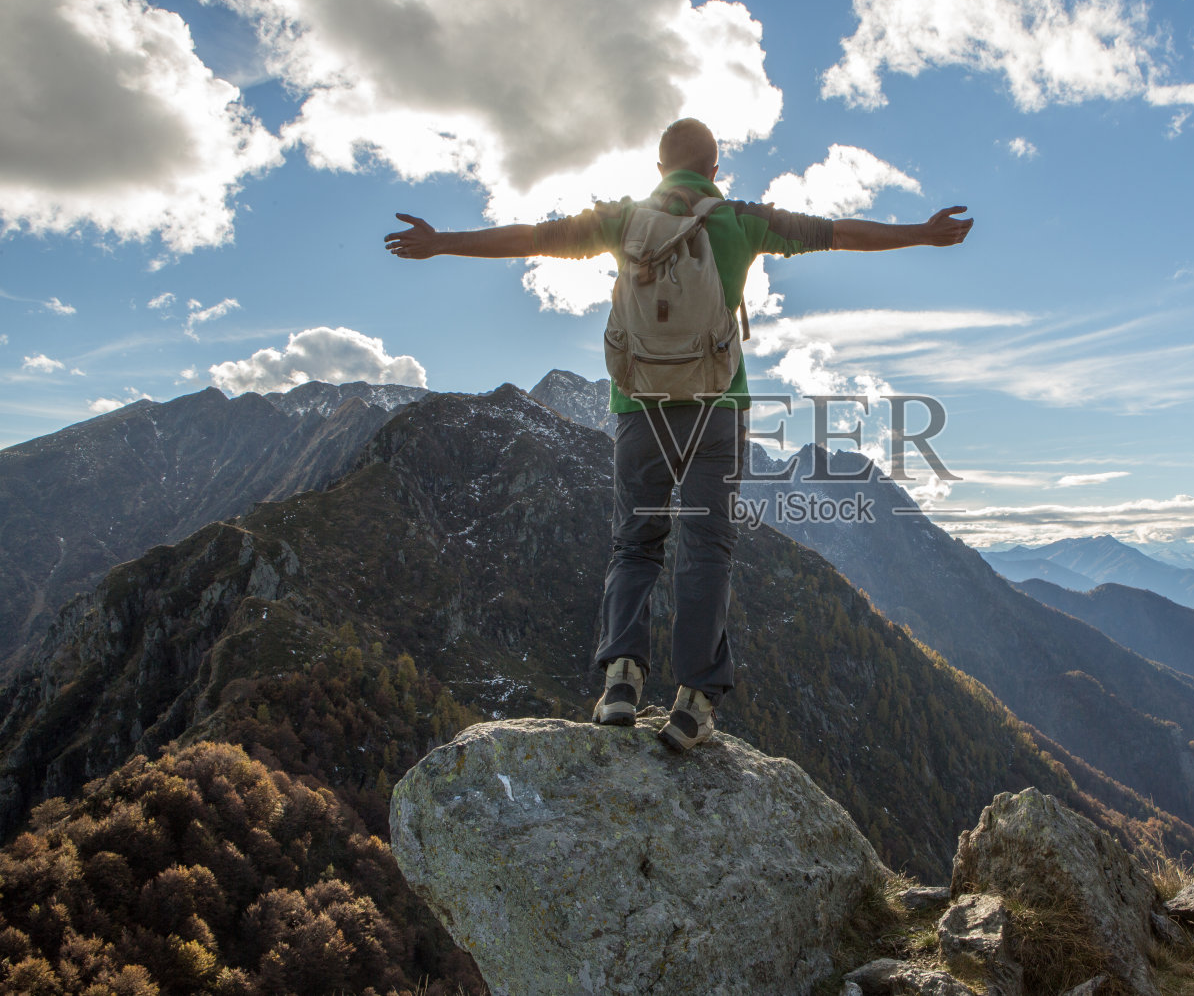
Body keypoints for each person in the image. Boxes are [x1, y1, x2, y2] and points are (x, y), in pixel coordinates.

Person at [385, 118, 972, 751]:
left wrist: (442, 241)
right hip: (718, 408)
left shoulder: (623, 221)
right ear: (715, 170)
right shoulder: (741, 220)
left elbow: (533, 237)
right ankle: (693, 702)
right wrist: (922, 234)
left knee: (635, 544)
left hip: (639, 409)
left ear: (658, 167)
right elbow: (838, 234)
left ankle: (620, 682)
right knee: (706, 548)